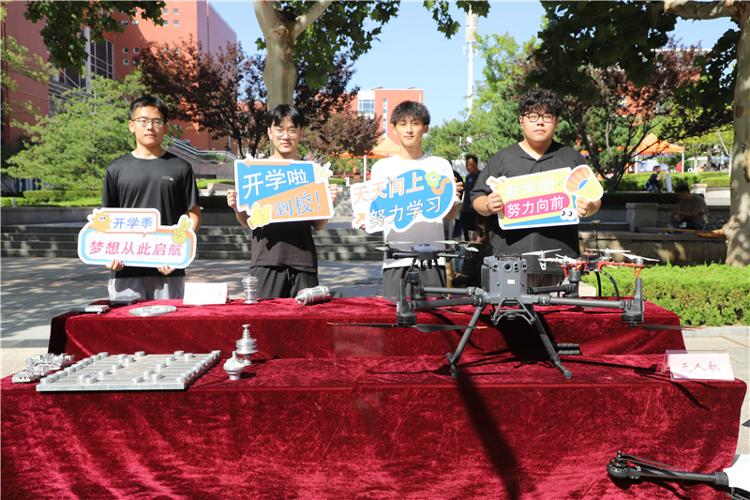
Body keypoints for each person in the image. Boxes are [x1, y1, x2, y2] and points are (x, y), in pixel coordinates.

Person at [471, 89, 600, 287]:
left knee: (560, 308)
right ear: (521, 121)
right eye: (533, 116)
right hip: (509, 261)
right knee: (511, 308)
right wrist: (488, 205)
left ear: (556, 121)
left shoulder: (571, 158)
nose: (540, 122)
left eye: (547, 116)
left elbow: (595, 198)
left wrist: (589, 207)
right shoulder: (502, 159)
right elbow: (477, 198)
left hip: (561, 262)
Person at [227, 104, 332, 299]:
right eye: (279, 129)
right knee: (266, 317)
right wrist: (236, 207)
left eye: (292, 129)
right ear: (269, 131)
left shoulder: (311, 173)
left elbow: (318, 225)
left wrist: (328, 202)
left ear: (300, 132)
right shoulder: (255, 172)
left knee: (306, 318)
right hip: (266, 260)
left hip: (303, 261)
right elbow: (248, 222)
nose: (286, 136)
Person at [103, 95, 201, 301]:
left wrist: (178, 250)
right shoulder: (116, 169)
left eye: (156, 121)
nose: (150, 127)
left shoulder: (181, 168)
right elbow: (106, 220)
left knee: (169, 321)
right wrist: (109, 253)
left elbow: (193, 215)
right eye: (143, 121)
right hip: (126, 268)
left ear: (165, 127)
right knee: (124, 321)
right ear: (131, 125)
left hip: (168, 267)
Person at [369, 101, 463, 298]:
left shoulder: (440, 165)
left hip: (433, 259)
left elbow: (448, 215)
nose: (409, 130)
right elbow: (374, 212)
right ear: (394, 128)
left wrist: (452, 197)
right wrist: (364, 217)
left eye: (415, 123)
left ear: (425, 127)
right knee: (395, 315)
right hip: (396, 259)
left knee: (433, 315)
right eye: (403, 124)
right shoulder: (381, 168)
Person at [461, 154, 481, 241]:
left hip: (475, 210)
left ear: (476, 164)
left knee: (477, 231)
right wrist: (463, 205)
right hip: (466, 208)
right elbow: (466, 192)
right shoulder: (468, 177)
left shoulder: (480, 175)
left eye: (471, 165)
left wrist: (475, 203)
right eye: (467, 165)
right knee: (466, 230)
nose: (468, 167)